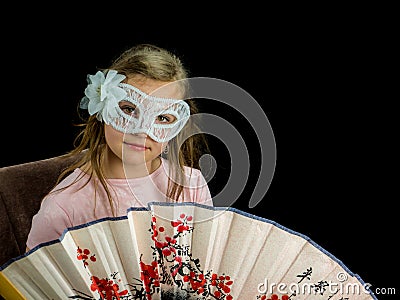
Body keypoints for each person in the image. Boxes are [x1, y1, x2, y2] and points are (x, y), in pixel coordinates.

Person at [26, 43, 213, 251]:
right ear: (102, 106)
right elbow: (35, 280)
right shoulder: (64, 207)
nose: (141, 131)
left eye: (162, 117)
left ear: (177, 126)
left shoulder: (190, 186)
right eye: (129, 109)